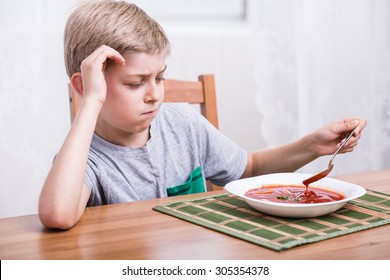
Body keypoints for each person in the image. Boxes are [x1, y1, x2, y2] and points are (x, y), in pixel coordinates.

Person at [38, 0, 367, 229]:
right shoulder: (88, 159)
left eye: (160, 77)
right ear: (87, 86)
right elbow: (57, 215)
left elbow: (247, 169)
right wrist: (90, 102)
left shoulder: (182, 123)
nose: (155, 94)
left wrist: (312, 145)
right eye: (136, 83)